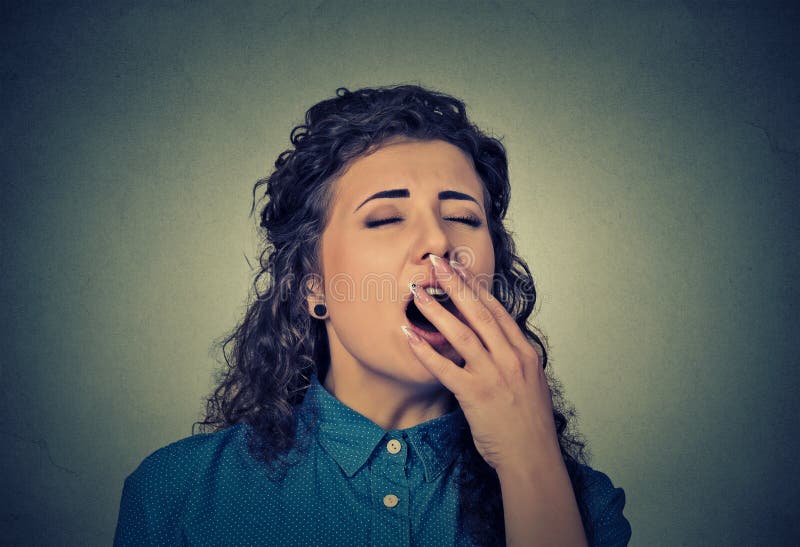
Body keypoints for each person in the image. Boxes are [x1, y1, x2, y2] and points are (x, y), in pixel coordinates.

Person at [113, 84, 632, 546]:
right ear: (312, 282)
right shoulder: (176, 496)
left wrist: (528, 460)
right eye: (385, 218)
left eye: (462, 217)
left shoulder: (584, 507)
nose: (437, 241)